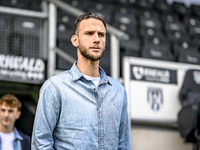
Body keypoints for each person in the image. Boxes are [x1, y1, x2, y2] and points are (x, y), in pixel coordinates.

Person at [31, 12, 131, 149]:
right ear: (75, 41)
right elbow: (40, 144)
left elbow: (123, 144)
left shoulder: (118, 91)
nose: (96, 39)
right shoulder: (55, 87)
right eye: (89, 33)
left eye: (101, 34)